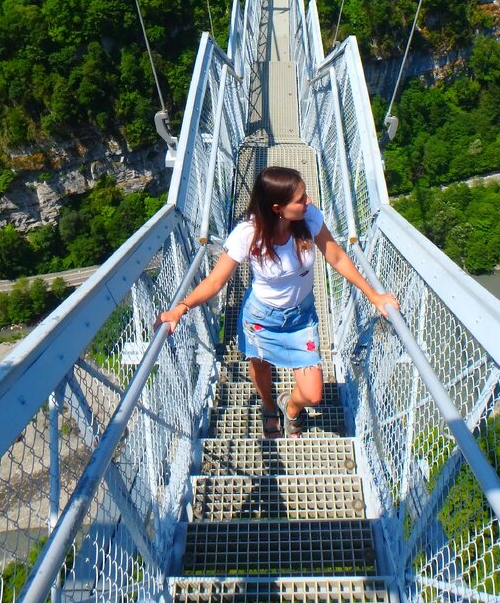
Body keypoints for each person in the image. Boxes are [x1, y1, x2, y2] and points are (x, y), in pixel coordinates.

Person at [158, 166, 398, 437]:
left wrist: (374, 295)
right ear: (277, 209)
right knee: (261, 366)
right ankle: (270, 407)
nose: (309, 201)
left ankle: (291, 406)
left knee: (313, 393)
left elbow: (337, 257)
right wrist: (181, 308)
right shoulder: (248, 234)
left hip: (301, 318)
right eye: (300, 199)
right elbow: (215, 281)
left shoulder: (310, 219)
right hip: (261, 318)